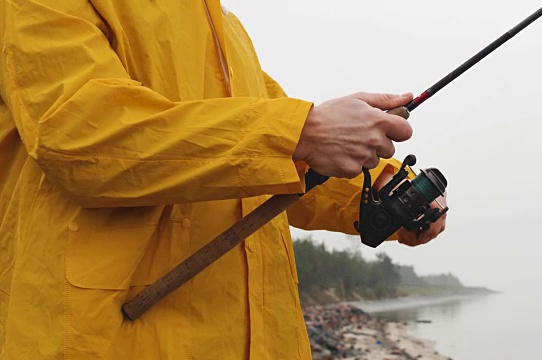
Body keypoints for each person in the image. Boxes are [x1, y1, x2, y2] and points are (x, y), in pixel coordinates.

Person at [0, 1, 446, 359]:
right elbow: (82, 135)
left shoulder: (226, 29)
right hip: (108, 338)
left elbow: (275, 161)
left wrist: (381, 192)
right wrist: (300, 134)